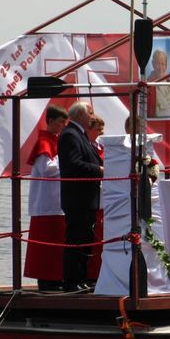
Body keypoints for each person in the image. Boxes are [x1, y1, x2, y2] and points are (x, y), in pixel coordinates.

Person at [58, 101, 104, 292]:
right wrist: (100, 169)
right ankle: (71, 281)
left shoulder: (81, 135)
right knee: (76, 240)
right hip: (77, 198)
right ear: (79, 115)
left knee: (85, 240)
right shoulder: (70, 135)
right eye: (90, 113)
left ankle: (81, 279)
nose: (92, 116)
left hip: (87, 197)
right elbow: (73, 164)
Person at [23, 104, 69, 291]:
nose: (62, 126)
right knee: (46, 245)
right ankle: (46, 278)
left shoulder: (55, 140)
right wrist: (65, 161)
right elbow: (47, 169)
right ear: (50, 121)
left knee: (57, 243)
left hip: (56, 200)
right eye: (60, 122)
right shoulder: (44, 142)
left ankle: (56, 277)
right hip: (46, 202)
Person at [86, 115, 105, 283]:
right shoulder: (88, 147)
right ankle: (91, 274)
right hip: (93, 195)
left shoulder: (100, 147)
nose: (102, 132)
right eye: (98, 129)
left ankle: (97, 273)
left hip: (103, 195)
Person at [147, 50, 170, 118]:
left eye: (163, 64)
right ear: (153, 64)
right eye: (158, 64)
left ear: (166, 65)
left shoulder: (169, 84)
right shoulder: (148, 85)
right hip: (157, 126)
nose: (160, 67)